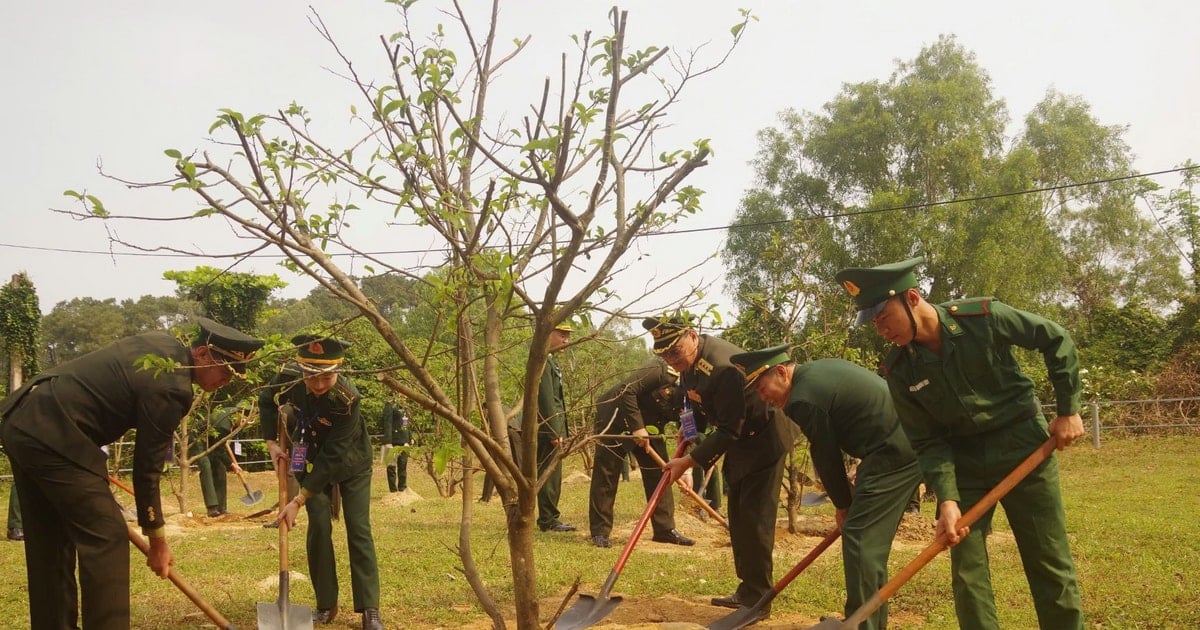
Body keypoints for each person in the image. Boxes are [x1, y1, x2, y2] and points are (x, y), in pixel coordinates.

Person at [835, 257, 1086, 629]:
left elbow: (1055, 338)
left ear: (913, 298)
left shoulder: (982, 318)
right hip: (965, 462)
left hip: (1024, 448)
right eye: (873, 322)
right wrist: (948, 500)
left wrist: (1068, 410)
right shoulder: (899, 370)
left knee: (1048, 562)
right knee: (967, 573)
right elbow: (926, 440)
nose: (880, 329)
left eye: (883, 316)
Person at [0, 318, 263, 629]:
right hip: (57, 432)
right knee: (106, 537)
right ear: (203, 353)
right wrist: (158, 541)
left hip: (21, 418)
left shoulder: (160, 343)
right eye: (226, 371)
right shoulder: (172, 387)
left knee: (50, 541)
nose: (227, 381)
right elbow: (147, 470)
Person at [731, 344, 922, 630]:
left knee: (861, 537)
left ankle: (862, 624)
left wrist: (843, 505)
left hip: (895, 451)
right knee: (866, 541)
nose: (763, 397)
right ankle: (862, 619)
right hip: (891, 445)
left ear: (781, 372)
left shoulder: (802, 398)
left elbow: (826, 453)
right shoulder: (815, 373)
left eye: (762, 387)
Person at [652, 315, 797, 622]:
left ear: (692, 336)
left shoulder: (722, 366)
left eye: (675, 352)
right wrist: (688, 428)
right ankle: (747, 589)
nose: (671, 359)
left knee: (755, 517)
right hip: (742, 440)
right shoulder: (690, 365)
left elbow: (730, 428)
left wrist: (689, 461)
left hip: (764, 438)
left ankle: (759, 598)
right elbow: (696, 401)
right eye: (664, 355)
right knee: (739, 515)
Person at [260, 334, 384, 629]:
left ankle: (369, 609)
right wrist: (271, 443)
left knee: (358, 528)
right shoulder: (288, 377)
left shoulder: (348, 399)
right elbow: (266, 397)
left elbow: (334, 455)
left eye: (325, 378)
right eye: (310, 376)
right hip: (308, 454)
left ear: (338, 371)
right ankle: (326, 605)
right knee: (318, 525)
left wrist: (297, 499)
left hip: (351, 462)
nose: (317, 385)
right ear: (301, 368)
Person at [587, 359, 694, 548]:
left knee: (661, 474)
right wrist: (637, 428)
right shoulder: (661, 369)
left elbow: (689, 431)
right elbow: (626, 390)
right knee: (607, 474)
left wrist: (686, 470)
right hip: (614, 418)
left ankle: (664, 529)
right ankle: (600, 532)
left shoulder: (697, 387)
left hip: (651, 425)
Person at [536, 322, 577, 532]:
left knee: (552, 474)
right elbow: (546, 399)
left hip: (553, 428)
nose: (566, 340)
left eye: (568, 336)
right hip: (547, 430)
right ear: (548, 333)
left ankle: (550, 517)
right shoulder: (542, 361)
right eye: (562, 335)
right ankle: (548, 520)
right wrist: (554, 430)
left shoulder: (551, 361)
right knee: (549, 475)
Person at [191, 406, 238, 517]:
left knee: (220, 467)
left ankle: (221, 508)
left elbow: (218, 447)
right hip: (197, 439)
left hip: (211, 439)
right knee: (206, 466)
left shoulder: (231, 413)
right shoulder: (223, 426)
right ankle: (212, 508)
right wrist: (231, 464)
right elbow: (219, 450)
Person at [380, 396, 412, 493]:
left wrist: (410, 437)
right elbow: (387, 423)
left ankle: (402, 488)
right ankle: (393, 490)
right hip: (392, 440)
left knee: (403, 465)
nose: (405, 396)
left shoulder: (405, 407)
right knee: (391, 466)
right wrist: (388, 441)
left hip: (404, 440)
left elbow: (406, 424)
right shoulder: (390, 405)